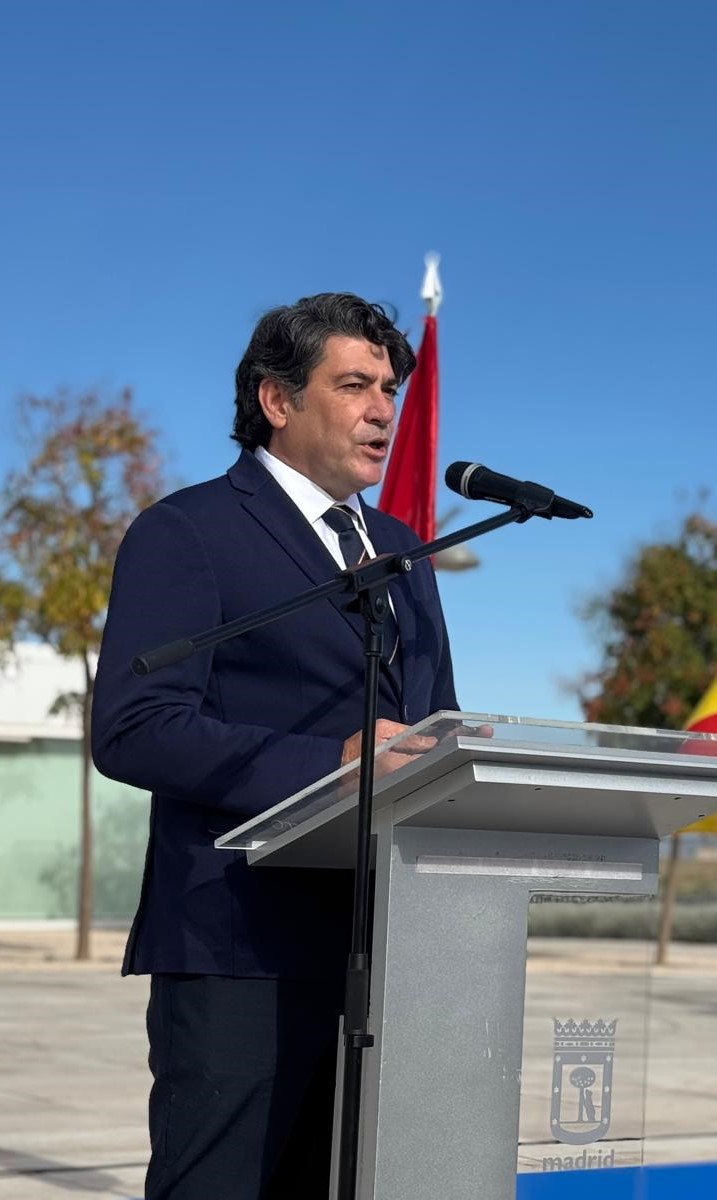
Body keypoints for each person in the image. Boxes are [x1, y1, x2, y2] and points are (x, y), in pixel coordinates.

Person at [92, 294, 459, 1198]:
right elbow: (135, 728)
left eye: (389, 389)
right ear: (277, 399)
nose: (383, 410)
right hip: (239, 950)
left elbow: (433, 725)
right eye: (355, 385)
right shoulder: (189, 531)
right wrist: (334, 766)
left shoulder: (402, 551)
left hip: (386, 947)